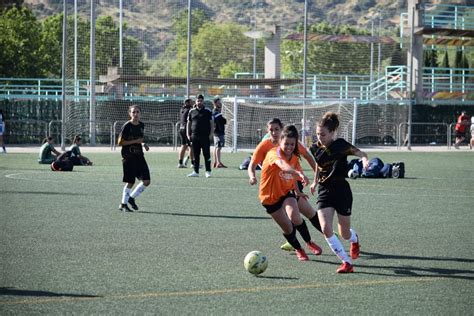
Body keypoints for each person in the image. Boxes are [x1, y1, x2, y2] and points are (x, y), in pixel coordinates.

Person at [248, 118, 323, 254]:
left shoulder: (292, 146)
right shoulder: (270, 150)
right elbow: (281, 166)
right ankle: (297, 246)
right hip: (270, 193)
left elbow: (306, 159)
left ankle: (324, 236)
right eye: (271, 130)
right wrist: (252, 176)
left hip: (288, 187)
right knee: (288, 227)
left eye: (276, 129)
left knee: (301, 214)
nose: (274, 132)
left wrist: (301, 187)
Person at [309, 112, 369, 273]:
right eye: (317, 134)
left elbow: (361, 153)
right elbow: (318, 164)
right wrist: (315, 181)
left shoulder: (341, 145)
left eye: (323, 134)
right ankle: (346, 262)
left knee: (344, 233)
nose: (319, 137)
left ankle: (354, 240)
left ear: (332, 133)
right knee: (326, 228)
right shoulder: (314, 148)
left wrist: (364, 160)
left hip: (341, 190)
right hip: (324, 191)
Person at [118, 105, 150, 212]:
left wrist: (144, 143)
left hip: (139, 156)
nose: (135, 114)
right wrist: (135, 142)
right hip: (129, 156)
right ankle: (123, 204)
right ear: (129, 114)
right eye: (133, 112)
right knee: (130, 182)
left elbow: (140, 139)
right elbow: (120, 142)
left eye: (137, 112)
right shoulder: (127, 126)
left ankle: (131, 198)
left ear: (140, 113)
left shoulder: (141, 125)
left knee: (146, 180)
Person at [187, 94, 213, 178]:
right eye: (198, 101)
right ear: (196, 101)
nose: (199, 102)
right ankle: (196, 171)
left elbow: (212, 123)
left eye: (201, 101)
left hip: (205, 136)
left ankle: (208, 171)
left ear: (203, 101)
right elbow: (189, 123)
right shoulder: (192, 111)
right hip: (194, 136)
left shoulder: (208, 111)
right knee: (196, 154)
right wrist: (188, 133)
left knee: (206, 154)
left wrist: (211, 134)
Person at [177, 99, 194, 168]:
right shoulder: (190, 109)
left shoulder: (182, 109)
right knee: (191, 146)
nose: (192, 103)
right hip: (186, 130)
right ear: (187, 103)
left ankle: (180, 163)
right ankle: (193, 163)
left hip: (181, 129)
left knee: (183, 146)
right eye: (191, 102)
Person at [212, 97, 227, 168]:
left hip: (218, 132)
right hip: (218, 132)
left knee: (217, 147)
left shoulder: (217, 112)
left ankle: (216, 162)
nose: (220, 103)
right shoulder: (215, 112)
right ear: (215, 103)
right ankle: (218, 163)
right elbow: (223, 121)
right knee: (218, 147)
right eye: (218, 102)